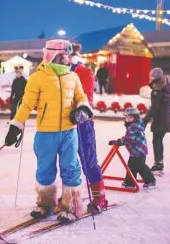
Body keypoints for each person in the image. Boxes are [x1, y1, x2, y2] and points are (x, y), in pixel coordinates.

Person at [4, 39, 93, 224]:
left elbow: (81, 97)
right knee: (45, 169)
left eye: (68, 56)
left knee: (71, 168)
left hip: (69, 132)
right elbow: (27, 104)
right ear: (52, 55)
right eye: (64, 56)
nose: (68, 59)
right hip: (46, 132)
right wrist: (16, 125)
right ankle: (45, 203)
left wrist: (83, 109)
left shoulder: (73, 77)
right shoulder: (38, 78)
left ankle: (71, 206)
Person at [70, 44, 108, 213]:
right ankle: (71, 195)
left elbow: (87, 96)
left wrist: (81, 111)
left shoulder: (84, 72)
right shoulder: (60, 73)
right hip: (65, 123)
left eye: (72, 55)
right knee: (68, 162)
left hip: (82, 122)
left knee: (88, 160)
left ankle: (100, 197)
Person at [108, 107, 156, 189]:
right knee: (133, 166)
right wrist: (119, 141)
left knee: (139, 167)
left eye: (130, 117)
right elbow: (129, 137)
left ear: (135, 118)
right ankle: (130, 182)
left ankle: (149, 181)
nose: (127, 119)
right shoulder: (135, 125)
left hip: (138, 151)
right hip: (136, 151)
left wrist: (118, 142)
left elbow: (129, 139)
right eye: (126, 117)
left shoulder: (134, 127)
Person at [144, 68, 170, 173]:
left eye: (152, 76)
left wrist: (145, 120)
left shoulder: (158, 89)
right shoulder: (162, 87)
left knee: (157, 141)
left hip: (161, 119)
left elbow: (155, 107)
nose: (150, 78)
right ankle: (159, 162)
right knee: (158, 140)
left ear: (156, 78)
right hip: (164, 118)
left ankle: (158, 163)